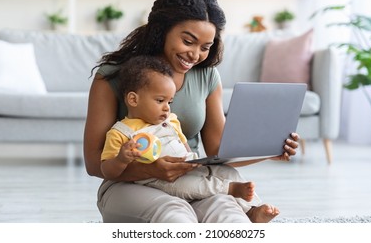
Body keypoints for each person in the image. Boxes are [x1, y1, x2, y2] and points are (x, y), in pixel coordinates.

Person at [83, 0, 299, 223]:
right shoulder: (113, 76)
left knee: (228, 214)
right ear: (161, 30)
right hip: (129, 185)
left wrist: (269, 150)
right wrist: (150, 169)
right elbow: (94, 164)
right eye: (188, 41)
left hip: (192, 181)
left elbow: (219, 151)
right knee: (175, 215)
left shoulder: (206, 76)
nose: (195, 55)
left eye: (205, 47)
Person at [100, 55, 259, 209]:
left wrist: (196, 163)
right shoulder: (120, 132)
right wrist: (121, 159)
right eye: (160, 100)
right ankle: (229, 190)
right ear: (134, 100)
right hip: (160, 180)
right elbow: (107, 171)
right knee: (193, 186)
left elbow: (185, 147)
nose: (167, 107)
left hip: (187, 166)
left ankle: (253, 208)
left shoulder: (171, 120)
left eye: (170, 101)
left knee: (227, 171)